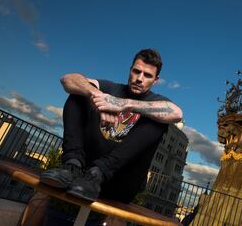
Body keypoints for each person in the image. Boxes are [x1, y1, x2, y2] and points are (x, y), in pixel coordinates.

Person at [40, 49, 183, 202]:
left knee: (158, 120)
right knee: (78, 93)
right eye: (136, 71)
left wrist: (122, 104)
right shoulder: (110, 88)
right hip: (82, 172)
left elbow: (177, 114)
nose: (139, 78)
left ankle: (99, 172)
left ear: (155, 80)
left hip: (119, 182)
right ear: (130, 70)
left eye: (147, 75)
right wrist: (98, 97)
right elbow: (68, 79)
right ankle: (71, 165)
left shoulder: (157, 99)